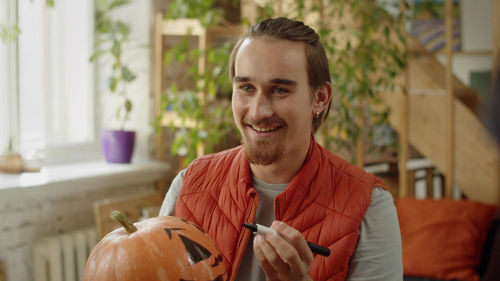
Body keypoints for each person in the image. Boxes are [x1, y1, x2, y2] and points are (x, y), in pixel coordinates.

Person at [159, 17, 403, 281]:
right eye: (246, 88)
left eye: (279, 90)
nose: (258, 111)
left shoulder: (369, 206)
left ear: (319, 98)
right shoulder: (187, 185)